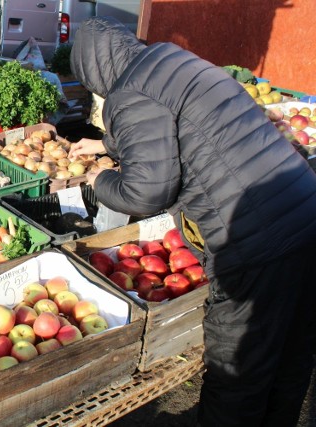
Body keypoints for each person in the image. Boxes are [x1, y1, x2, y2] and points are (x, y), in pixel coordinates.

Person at [68, 16, 316, 426]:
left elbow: (146, 193)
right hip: (305, 214)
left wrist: (100, 177)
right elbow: (178, 123)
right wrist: (106, 143)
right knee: (290, 354)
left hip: (256, 244)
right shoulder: (176, 62)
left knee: (238, 371)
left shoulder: (127, 95)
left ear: (92, 70)